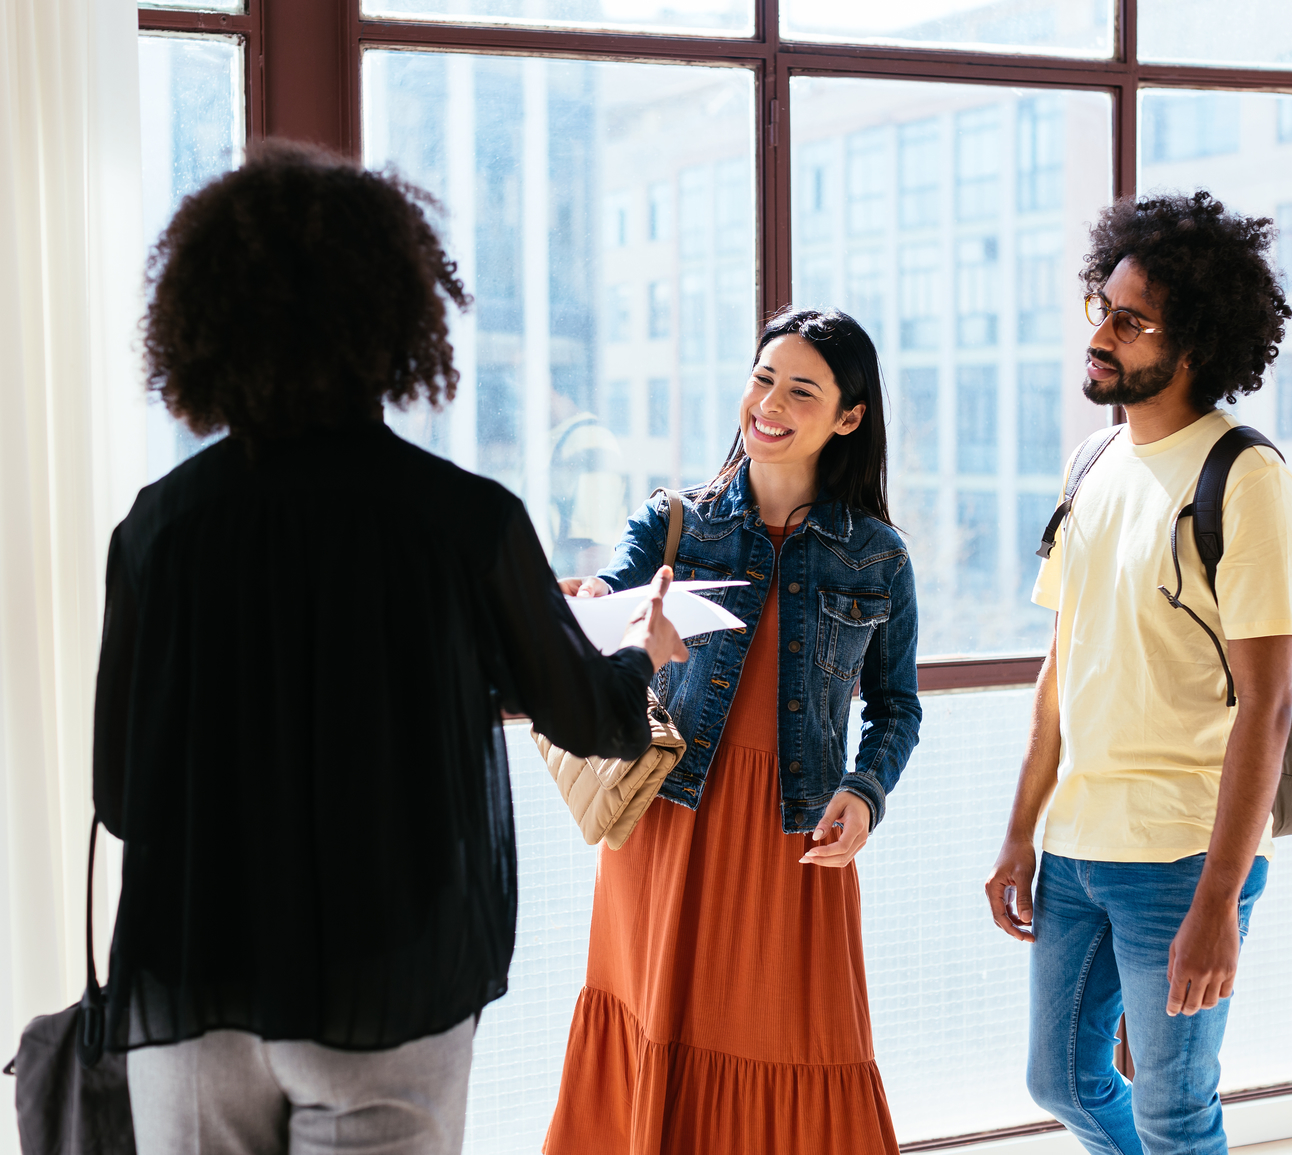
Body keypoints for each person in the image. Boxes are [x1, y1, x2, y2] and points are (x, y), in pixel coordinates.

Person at [92, 140, 688, 1155]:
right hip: (385, 982)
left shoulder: (158, 529)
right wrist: (642, 651)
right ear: (393, 317)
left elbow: (123, 795)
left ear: (203, 322)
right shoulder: (462, 522)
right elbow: (591, 720)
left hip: (194, 981)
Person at [544, 308, 923, 1154]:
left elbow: (895, 705)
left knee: (806, 1041)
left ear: (848, 416)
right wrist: (591, 612)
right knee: (652, 1023)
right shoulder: (676, 520)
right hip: (668, 822)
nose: (770, 403)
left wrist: (864, 794)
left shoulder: (877, 557)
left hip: (795, 834)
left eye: (799, 389)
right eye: (761, 379)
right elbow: (603, 605)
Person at [983, 190, 1292, 1155]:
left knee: (1173, 1110)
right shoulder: (1090, 462)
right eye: (1102, 309)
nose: (1103, 334)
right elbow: (1060, 671)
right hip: (1078, 842)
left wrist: (1219, 899)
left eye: (1130, 321)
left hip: (1180, 853)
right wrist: (1016, 835)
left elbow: (1269, 703)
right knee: (1061, 1078)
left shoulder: (1244, 479)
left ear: (1193, 343)